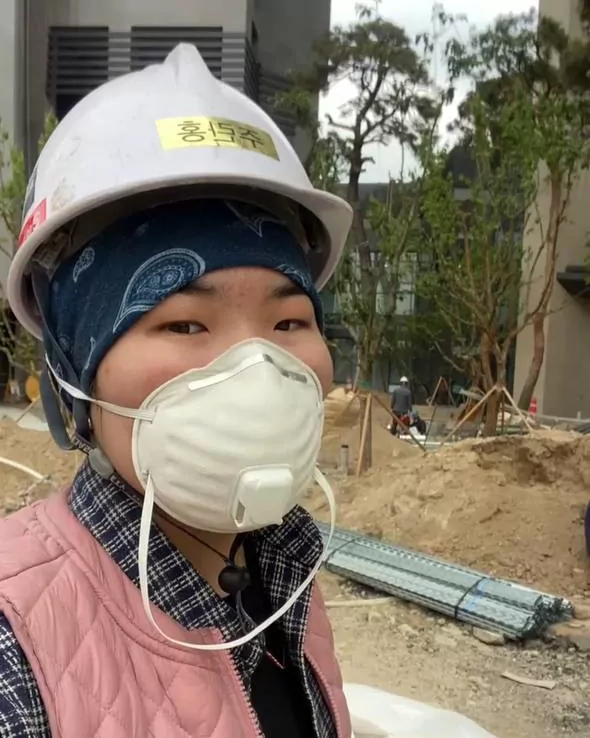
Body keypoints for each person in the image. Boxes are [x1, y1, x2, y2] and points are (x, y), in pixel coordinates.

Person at [0, 45, 354, 738]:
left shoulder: (284, 572)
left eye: (289, 322)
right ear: (75, 370)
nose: (255, 368)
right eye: (185, 323)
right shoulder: (18, 642)